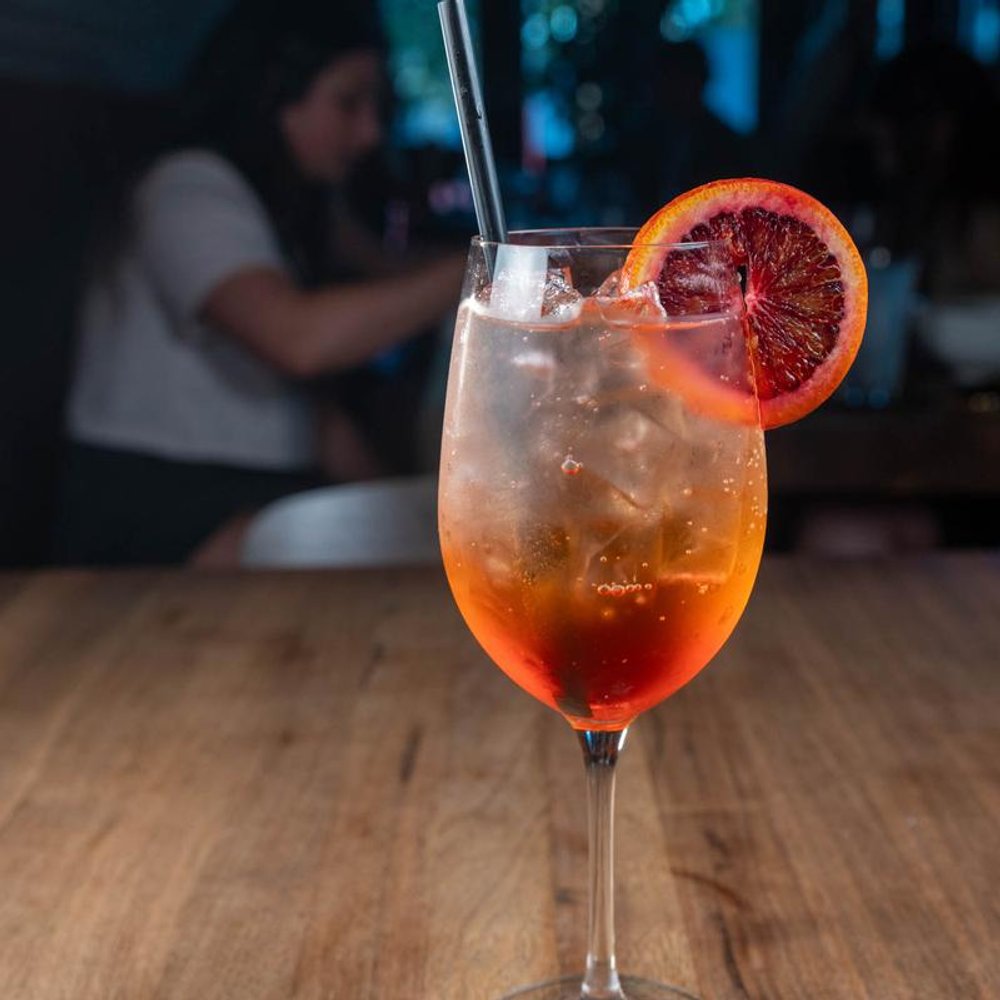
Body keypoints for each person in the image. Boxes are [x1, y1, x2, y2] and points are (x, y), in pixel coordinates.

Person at [52, 1, 465, 566]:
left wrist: (417, 508)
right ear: (275, 94)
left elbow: (317, 408)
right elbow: (298, 340)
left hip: (261, 492)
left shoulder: (292, 205)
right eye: (348, 102)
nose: (371, 132)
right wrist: (488, 267)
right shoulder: (184, 188)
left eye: (378, 106)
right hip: (163, 505)